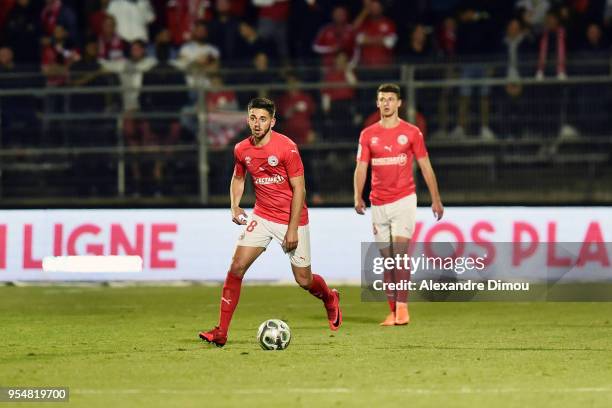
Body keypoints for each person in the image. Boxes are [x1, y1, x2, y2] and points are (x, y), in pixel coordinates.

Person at [199, 97, 342, 347]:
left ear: (272, 122)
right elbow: (238, 177)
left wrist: (292, 229)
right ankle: (221, 331)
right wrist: (234, 205)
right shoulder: (241, 149)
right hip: (262, 216)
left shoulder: (287, 148)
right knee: (236, 268)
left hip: (291, 219)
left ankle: (330, 298)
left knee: (304, 280)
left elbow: (300, 190)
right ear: (247, 119)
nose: (257, 123)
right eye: (253, 118)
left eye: (263, 118)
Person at [353, 83, 443, 327]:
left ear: (399, 103)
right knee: (387, 259)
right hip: (378, 202)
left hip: (404, 199)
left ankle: (402, 308)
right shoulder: (368, 134)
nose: (386, 103)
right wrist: (357, 195)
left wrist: (435, 198)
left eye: (391, 99)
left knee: (400, 256)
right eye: (382, 99)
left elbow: (425, 166)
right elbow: (361, 167)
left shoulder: (412, 133)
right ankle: (393, 311)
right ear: (377, 102)